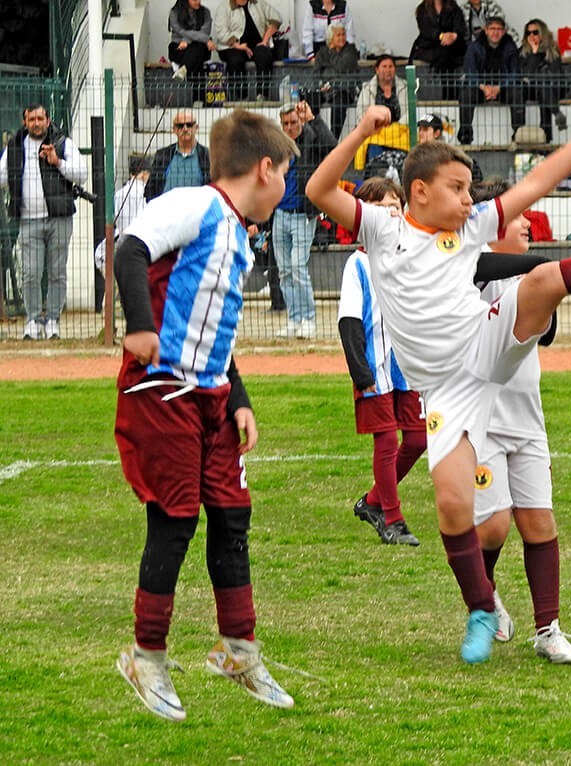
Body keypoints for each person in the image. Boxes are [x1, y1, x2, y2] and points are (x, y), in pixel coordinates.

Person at [306, 99, 571, 663]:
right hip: (447, 391)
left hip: (484, 341)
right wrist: (361, 130)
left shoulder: (471, 227)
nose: (469, 200)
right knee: (452, 505)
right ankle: (481, 608)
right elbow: (319, 189)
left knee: (541, 280)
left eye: (471, 189)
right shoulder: (382, 228)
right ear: (419, 191)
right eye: (457, 188)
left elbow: (536, 182)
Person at [112, 108, 298, 722]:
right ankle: (145, 655)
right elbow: (129, 250)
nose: (286, 185)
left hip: (210, 396)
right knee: (174, 520)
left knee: (232, 514)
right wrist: (140, 326)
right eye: (285, 173)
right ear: (265, 169)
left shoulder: (238, 232)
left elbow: (213, 326)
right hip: (162, 389)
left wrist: (238, 397)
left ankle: (238, 649)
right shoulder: (196, 204)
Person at [469, 178, 571, 664]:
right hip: (481, 422)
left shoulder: (526, 280)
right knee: (493, 527)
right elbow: (478, 266)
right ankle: (483, 595)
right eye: (517, 217)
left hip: (527, 421)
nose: (527, 224)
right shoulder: (468, 266)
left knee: (539, 522)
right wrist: (539, 266)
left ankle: (547, 630)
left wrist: (544, 283)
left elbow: (547, 333)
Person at [339, 177, 425, 546]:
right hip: (374, 369)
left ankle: (373, 501)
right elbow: (349, 321)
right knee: (387, 440)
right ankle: (393, 519)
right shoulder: (357, 264)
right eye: (379, 206)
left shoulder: (410, 259)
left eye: (394, 205)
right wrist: (361, 373)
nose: (389, 212)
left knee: (418, 438)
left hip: (408, 369)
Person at [0, 103, 88, 341]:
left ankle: (52, 321)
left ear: (48, 121)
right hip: (28, 219)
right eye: (32, 119)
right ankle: (32, 320)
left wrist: (57, 162)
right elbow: (2, 177)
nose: (36, 123)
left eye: (40, 119)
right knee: (31, 273)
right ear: (25, 122)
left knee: (57, 272)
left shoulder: (62, 143)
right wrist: (15, 172)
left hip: (59, 218)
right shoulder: (15, 146)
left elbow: (82, 174)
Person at [274, 100, 337, 339]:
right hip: (280, 215)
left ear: (300, 121)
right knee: (284, 271)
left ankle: (308, 319)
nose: (290, 127)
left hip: (303, 216)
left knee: (298, 268)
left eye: (293, 122)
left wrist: (313, 119)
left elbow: (331, 147)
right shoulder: (277, 146)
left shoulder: (310, 139)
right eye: (285, 123)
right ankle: (294, 319)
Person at [457, 16, 523, 145]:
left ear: (504, 32)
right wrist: (483, 87)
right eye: (492, 29)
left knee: (517, 92)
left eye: (499, 29)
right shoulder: (475, 46)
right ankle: (466, 134)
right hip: (480, 88)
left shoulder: (510, 47)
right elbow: (469, 71)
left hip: (503, 89)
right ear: (486, 30)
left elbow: (515, 73)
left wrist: (499, 87)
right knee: (466, 93)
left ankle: (518, 134)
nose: (495, 32)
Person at [213, 0, 282, 102]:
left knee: (264, 55)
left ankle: (262, 95)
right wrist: (237, 45)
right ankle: (241, 97)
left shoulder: (258, 3)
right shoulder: (223, 7)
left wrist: (265, 40)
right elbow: (221, 32)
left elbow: (276, 19)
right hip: (232, 46)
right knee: (235, 60)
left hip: (257, 45)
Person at [94, 155, 151, 277]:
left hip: (121, 244)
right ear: (145, 174)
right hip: (141, 246)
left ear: (131, 173)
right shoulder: (145, 194)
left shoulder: (118, 194)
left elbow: (114, 219)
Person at [519, 18, 568, 143]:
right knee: (542, 86)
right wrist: (534, 54)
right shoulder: (524, 51)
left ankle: (546, 136)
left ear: (542, 33)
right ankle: (556, 114)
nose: (532, 36)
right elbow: (526, 74)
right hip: (533, 89)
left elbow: (554, 72)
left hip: (554, 87)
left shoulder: (552, 49)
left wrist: (535, 77)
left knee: (544, 86)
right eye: (528, 33)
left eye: (535, 32)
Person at [145, 110, 212, 201]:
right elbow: (150, 189)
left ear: (196, 127)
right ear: (174, 130)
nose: (185, 129)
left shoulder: (207, 156)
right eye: (180, 126)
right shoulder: (163, 156)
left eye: (189, 125)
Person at [312, 23, 359, 134]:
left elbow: (340, 66)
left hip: (345, 89)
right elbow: (316, 72)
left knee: (339, 102)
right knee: (311, 100)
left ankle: (333, 138)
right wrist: (319, 86)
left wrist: (332, 51)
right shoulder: (323, 51)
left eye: (343, 34)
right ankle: (314, 135)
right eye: (338, 35)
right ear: (331, 38)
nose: (342, 37)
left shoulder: (350, 50)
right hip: (326, 89)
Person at [167, 0, 216, 105]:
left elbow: (205, 31)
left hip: (198, 47)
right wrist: (206, 40)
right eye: (194, 0)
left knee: (197, 50)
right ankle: (198, 100)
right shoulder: (175, 12)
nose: (198, 2)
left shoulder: (205, 12)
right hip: (179, 47)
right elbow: (180, 31)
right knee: (197, 60)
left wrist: (187, 40)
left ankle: (184, 69)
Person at [416, 113, 484, 183]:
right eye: (420, 129)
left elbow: (475, 173)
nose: (420, 133)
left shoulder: (447, 154)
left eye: (425, 130)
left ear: (436, 133)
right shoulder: (417, 155)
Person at [409, 0, 467, 78]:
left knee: (449, 50)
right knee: (444, 52)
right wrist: (442, 36)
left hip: (451, 45)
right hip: (429, 46)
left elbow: (460, 27)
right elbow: (426, 31)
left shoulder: (453, 6)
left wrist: (454, 35)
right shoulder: (422, 9)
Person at [356, 54, 407, 124]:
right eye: (384, 66)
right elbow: (361, 113)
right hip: (374, 129)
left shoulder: (405, 87)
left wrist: (397, 126)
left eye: (390, 66)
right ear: (377, 70)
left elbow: (410, 112)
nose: (388, 70)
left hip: (400, 128)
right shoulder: (367, 89)